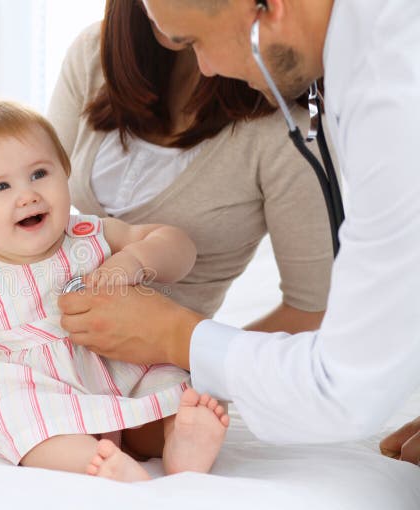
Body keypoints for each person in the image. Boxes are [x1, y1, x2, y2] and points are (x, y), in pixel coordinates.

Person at [59, 0, 420, 464]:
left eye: (196, 42)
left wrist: (177, 337)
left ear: (269, 8)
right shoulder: (367, 61)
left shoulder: (392, 94)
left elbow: (343, 384)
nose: (204, 68)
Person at [0, 101, 231, 482]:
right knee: (15, 409)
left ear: (65, 173)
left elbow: (179, 245)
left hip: (114, 366)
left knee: (165, 384)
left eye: (39, 173)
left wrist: (134, 260)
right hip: (39, 391)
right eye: (1, 186)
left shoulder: (92, 237)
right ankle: (94, 461)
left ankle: (180, 439)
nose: (27, 195)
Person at [48, 0, 333, 333]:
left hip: (161, 374)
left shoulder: (289, 127)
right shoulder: (92, 56)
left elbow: (314, 311)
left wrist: (186, 352)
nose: (205, 65)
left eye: (193, 39)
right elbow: (24, 192)